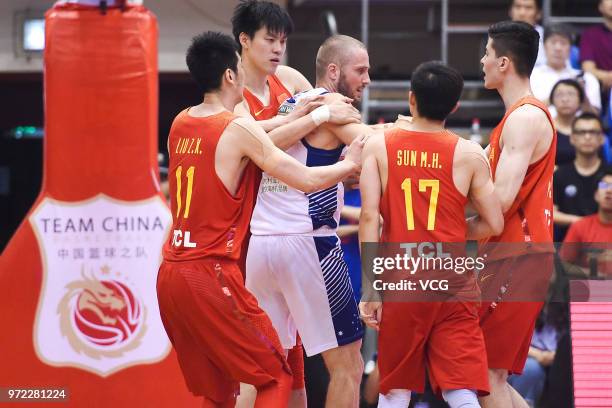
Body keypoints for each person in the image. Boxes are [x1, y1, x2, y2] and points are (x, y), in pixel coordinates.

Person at [156, 31, 366, 408]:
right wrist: (349, 163)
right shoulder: (236, 127)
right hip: (216, 273)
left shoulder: (181, 122)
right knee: (278, 374)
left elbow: (256, 135)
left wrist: (311, 114)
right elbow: (298, 174)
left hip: (174, 271)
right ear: (230, 76)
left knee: (225, 387)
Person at [230, 3, 361, 406]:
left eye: (283, 41)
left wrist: (341, 148)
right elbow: (260, 149)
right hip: (261, 236)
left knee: (285, 368)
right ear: (245, 40)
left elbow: (326, 130)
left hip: (271, 232)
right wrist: (322, 117)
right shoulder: (235, 101)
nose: (277, 50)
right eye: (270, 40)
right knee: (338, 364)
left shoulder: (288, 79)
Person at [359, 61, 504, 408]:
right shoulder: (469, 152)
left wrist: (371, 287)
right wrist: (453, 232)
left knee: (394, 390)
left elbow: (368, 217)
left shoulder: (379, 145)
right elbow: (494, 223)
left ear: (411, 100)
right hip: (453, 280)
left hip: (403, 278)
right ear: (455, 106)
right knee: (461, 389)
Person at [478, 20, 556, 408]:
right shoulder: (515, 118)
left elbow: (502, 199)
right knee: (492, 376)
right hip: (513, 253)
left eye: (487, 54)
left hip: (517, 254)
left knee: (485, 374)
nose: (482, 61)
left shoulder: (525, 118)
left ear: (504, 62)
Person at [554, 112, 607, 241]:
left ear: (602, 138)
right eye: (581, 132)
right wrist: (584, 224)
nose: (587, 137)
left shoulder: (609, 174)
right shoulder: (560, 175)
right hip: (567, 245)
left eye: (593, 132)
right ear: (572, 138)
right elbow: (552, 213)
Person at [530, 24, 601, 114]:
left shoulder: (587, 78)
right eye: (553, 42)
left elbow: (594, 117)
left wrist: (581, 93)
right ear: (544, 46)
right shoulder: (530, 76)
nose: (558, 48)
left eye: (563, 43)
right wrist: (556, 96)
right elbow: (525, 111)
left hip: (577, 127)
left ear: (571, 48)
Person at [560, 168, 612, 277]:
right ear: (596, 194)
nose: (609, 190)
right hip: (590, 289)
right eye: (604, 186)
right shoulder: (580, 226)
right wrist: (592, 274)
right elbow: (563, 264)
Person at [549, 79, 585, 166]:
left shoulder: (588, 128)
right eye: (559, 95)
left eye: (571, 94)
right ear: (552, 101)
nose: (565, 99)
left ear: (580, 100)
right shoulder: (546, 128)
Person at [580, 0, 612, 92]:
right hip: (601, 89)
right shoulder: (590, 35)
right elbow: (588, 69)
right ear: (600, 7)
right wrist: (608, 77)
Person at [509, 0, 546, 67]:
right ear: (510, 11)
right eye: (518, 6)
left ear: (539, 14)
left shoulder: (548, 38)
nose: (522, 13)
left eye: (528, 8)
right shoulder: (497, 38)